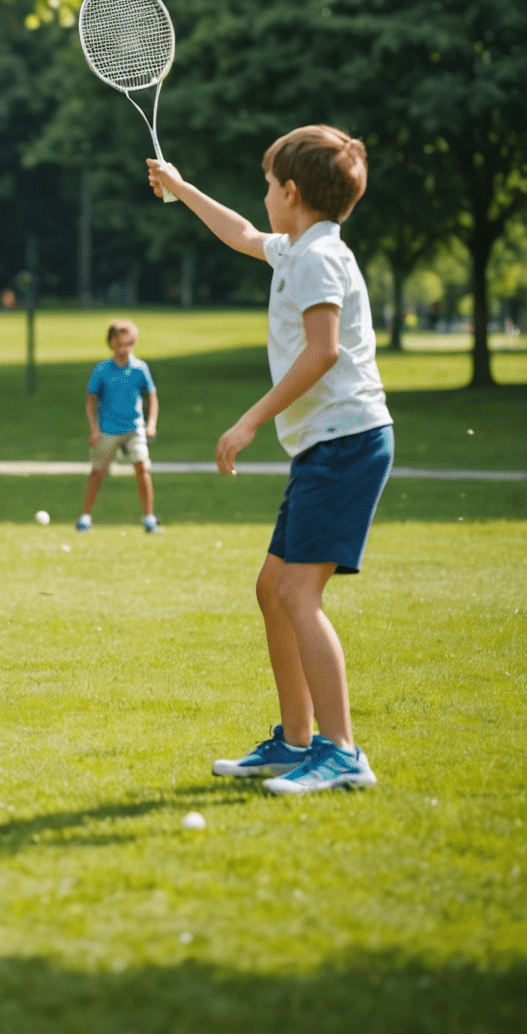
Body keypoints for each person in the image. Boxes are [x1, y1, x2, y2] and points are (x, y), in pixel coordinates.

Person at [149, 125, 393, 795]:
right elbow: (239, 234)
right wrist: (179, 186)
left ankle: (342, 752)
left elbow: (323, 352)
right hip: (328, 443)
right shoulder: (301, 249)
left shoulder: (319, 261)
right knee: (273, 589)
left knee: (296, 593)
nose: (261, 197)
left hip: (344, 441)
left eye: (266, 185)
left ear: (290, 191)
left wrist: (249, 421)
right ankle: (295, 742)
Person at [76, 319, 160, 533]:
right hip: (107, 430)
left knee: (142, 467)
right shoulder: (102, 370)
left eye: (128, 344)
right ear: (112, 344)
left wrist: (151, 424)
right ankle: (85, 517)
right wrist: (94, 429)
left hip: (134, 429)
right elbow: (91, 400)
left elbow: (152, 397)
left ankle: (149, 519)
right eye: (120, 344)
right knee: (97, 472)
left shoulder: (140, 369)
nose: (124, 350)